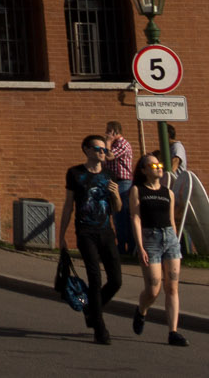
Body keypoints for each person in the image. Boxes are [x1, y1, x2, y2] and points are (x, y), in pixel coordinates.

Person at [63, 133, 125, 344]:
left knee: (116, 280)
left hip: (106, 232)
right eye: (98, 149)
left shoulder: (109, 176)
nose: (102, 153)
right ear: (87, 150)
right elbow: (68, 205)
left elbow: (117, 208)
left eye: (104, 150)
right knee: (94, 279)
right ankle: (99, 327)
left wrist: (116, 195)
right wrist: (62, 235)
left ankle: (90, 308)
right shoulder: (74, 173)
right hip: (85, 232)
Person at [130, 155, 187, 345]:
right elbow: (136, 219)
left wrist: (176, 242)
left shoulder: (167, 193)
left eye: (160, 165)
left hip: (169, 238)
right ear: (144, 170)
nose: (158, 168)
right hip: (150, 239)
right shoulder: (138, 190)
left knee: (172, 287)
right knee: (153, 289)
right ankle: (142, 310)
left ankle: (173, 332)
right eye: (153, 165)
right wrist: (140, 246)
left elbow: (171, 220)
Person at [104, 121, 137, 257]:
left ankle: (126, 247)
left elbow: (109, 156)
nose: (106, 133)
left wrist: (107, 142)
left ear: (114, 131)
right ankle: (122, 245)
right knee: (117, 216)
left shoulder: (122, 144)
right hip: (114, 181)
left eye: (108, 131)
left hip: (123, 183)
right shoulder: (115, 145)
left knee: (122, 215)